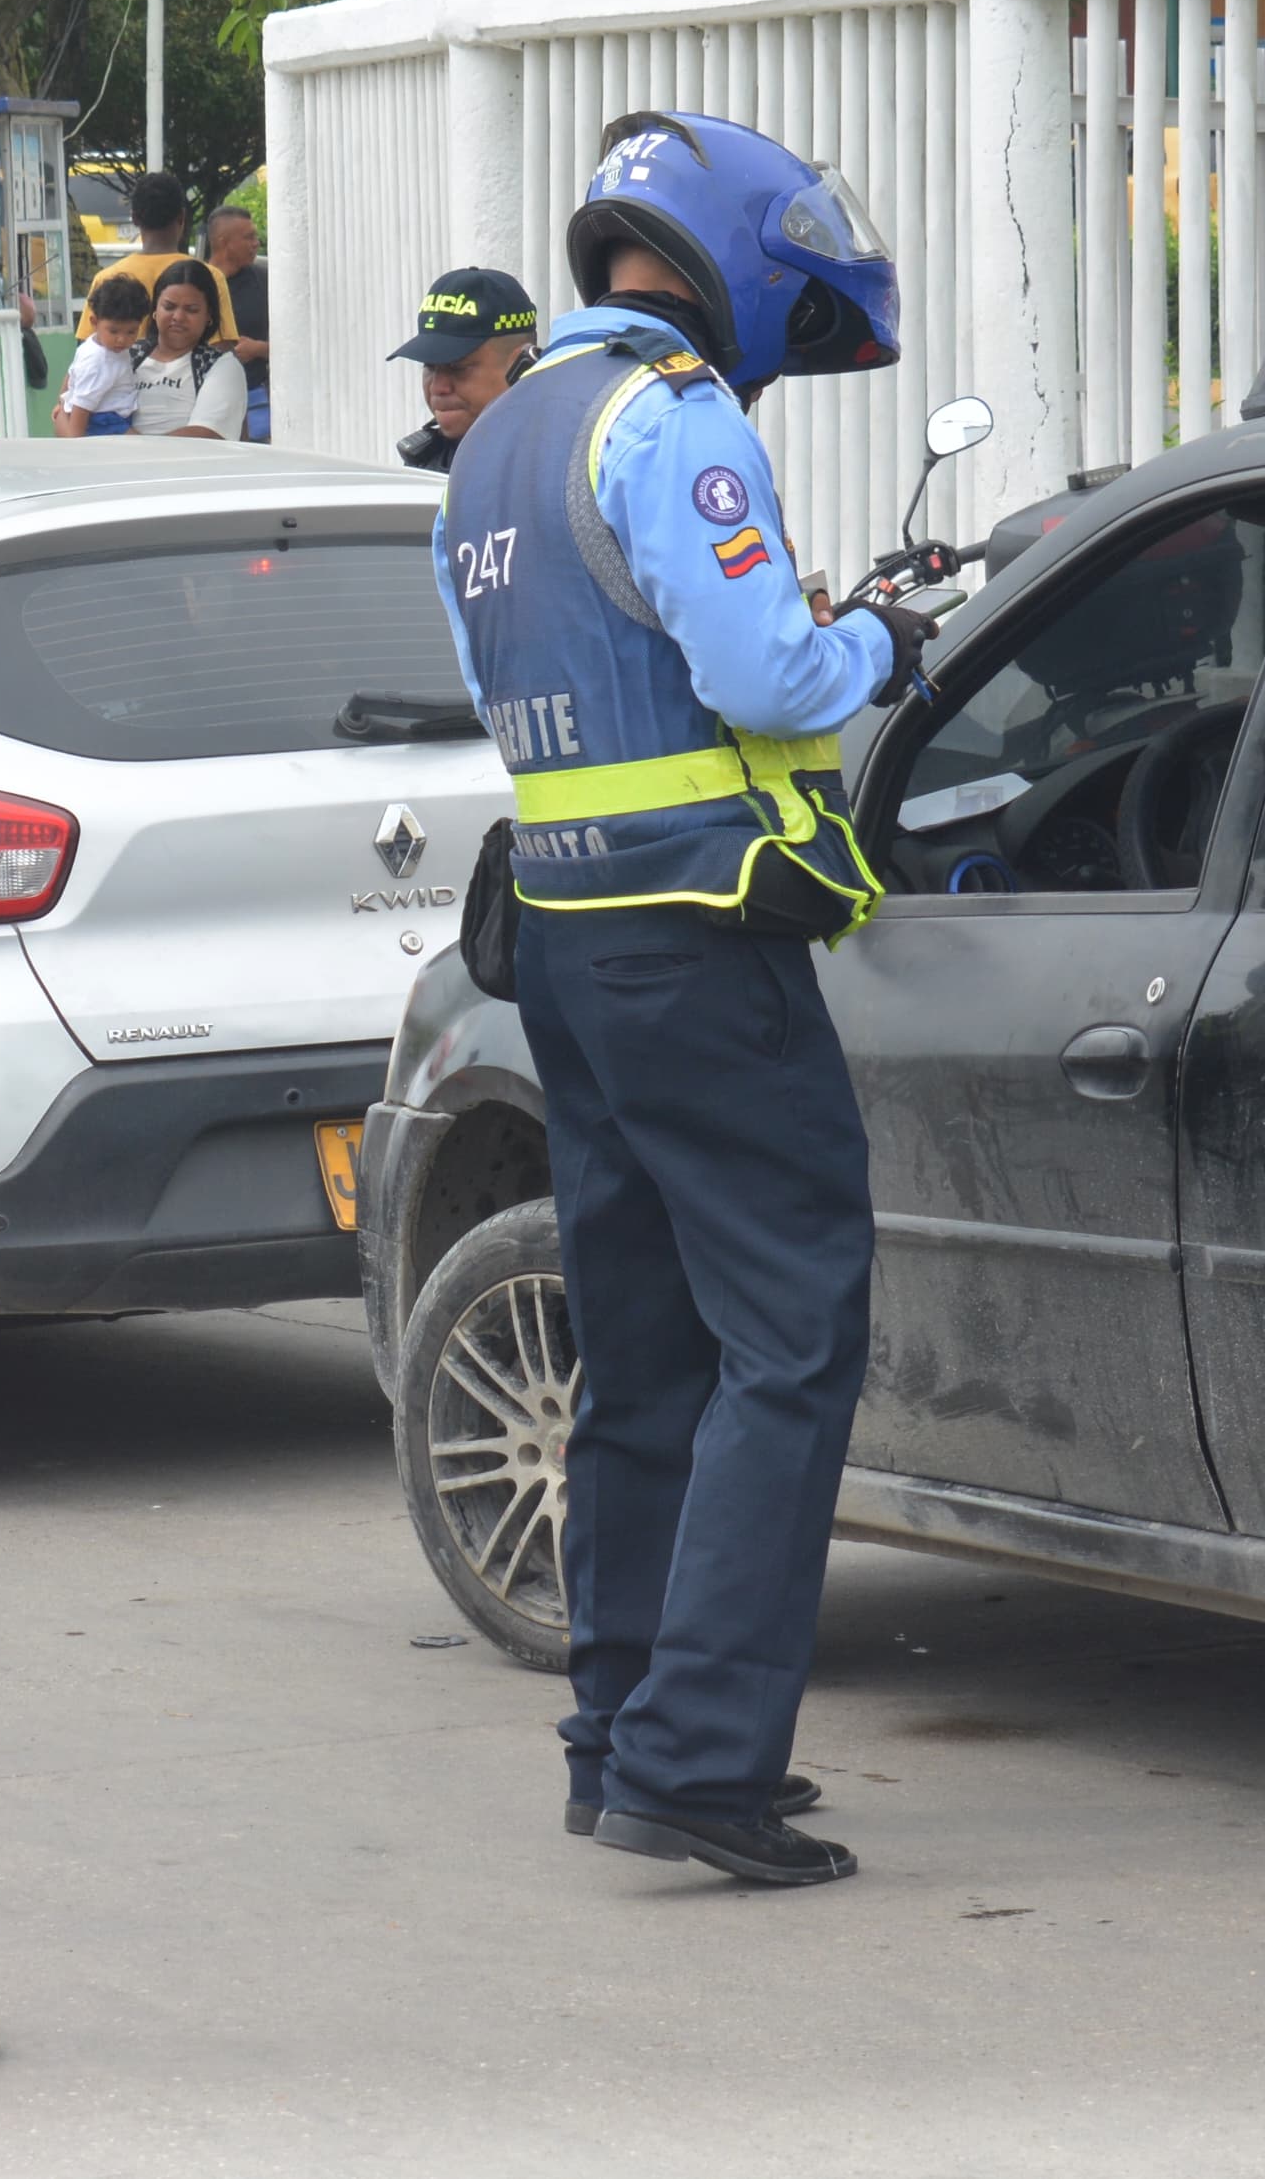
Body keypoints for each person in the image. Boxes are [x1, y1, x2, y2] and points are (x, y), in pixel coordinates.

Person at [432, 110, 936, 1887]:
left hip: (564, 942)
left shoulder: (493, 446)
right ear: (726, 257)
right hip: (695, 935)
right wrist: (881, 635)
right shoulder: (672, 417)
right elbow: (771, 675)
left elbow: (540, 667)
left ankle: (619, 1733)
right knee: (790, 1335)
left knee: (640, 1346)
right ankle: (704, 1760)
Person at [386, 267, 537, 471]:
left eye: (458, 368)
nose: (438, 387)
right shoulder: (425, 463)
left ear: (521, 367)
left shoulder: (557, 462)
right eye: (429, 366)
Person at [78, 172, 240, 347]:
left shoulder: (107, 278)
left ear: (134, 217)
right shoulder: (210, 276)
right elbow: (222, 346)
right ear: (182, 217)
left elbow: (88, 348)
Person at [127, 261, 246, 440]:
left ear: (208, 316)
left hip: (187, 467)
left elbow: (205, 435)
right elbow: (72, 403)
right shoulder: (126, 355)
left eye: (192, 310)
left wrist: (128, 443)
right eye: (169, 307)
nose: (178, 317)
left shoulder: (222, 366)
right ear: (155, 310)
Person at [59, 273, 152, 437]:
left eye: (131, 331)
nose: (122, 339)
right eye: (113, 331)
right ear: (94, 322)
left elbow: (71, 374)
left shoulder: (91, 344)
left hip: (106, 417)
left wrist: (62, 401)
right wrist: (75, 442)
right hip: (102, 421)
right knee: (144, 448)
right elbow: (82, 405)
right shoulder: (100, 361)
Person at [208, 205, 273, 441]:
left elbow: (293, 343)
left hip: (258, 399)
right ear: (224, 242)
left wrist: (259, 349)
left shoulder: (265, 281)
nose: (256, 243)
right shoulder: (198, 284)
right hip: (209, 402)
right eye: (248, 237)